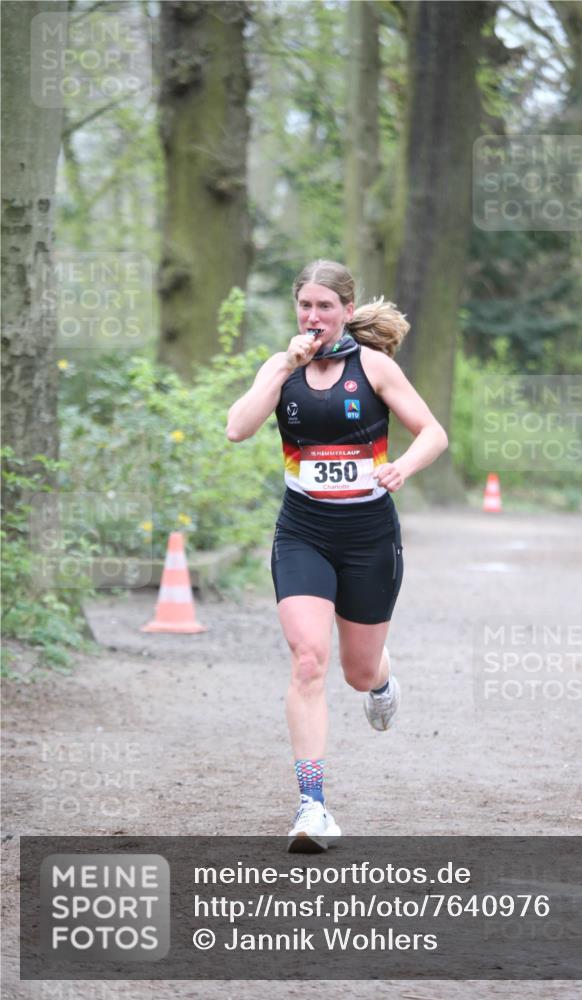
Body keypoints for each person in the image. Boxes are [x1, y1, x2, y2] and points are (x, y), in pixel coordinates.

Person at [227, 260, 448, 852]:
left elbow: (433, 432)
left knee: (356, 670)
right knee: (307, 659)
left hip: (369, 537)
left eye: (325, 306)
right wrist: (283, 372)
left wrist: (403, 464)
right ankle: (312, 806)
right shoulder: (280, 367)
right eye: (305, 306)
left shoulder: (373, 367)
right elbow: (236, 428)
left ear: (347, 310)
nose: (313, 316)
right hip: (303, 531)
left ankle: (381, 682)